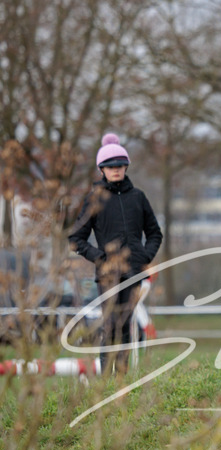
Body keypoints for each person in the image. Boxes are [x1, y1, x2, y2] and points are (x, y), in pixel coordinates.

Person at [69, 133, 162, 374]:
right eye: (111, 167)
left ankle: (120, 381)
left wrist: (144, 257)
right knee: (110, 325)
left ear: (126, 167)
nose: (116, 170)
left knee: (125, 326)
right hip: (108, 276)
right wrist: (99, 257)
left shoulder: (138, 197)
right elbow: (75, 238)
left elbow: (155, 233)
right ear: (102, 170)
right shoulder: (94, 199)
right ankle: (104, 383)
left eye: (120, 165)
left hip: (133, 273)